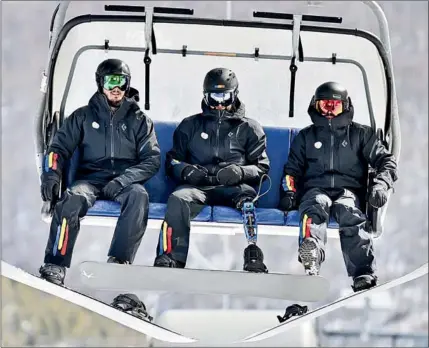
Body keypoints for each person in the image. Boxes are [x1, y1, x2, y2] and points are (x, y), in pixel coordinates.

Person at [38, 58, 160, 314]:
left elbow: (152, 159)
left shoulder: (139, 120)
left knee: (139, 196)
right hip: (91, 178)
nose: (116, 88)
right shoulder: (83, 117)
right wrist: (51, 175)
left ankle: (119, 262)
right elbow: (57, 149)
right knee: (72, 197)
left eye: (121, 82)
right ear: (100, 83)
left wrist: (124, 180)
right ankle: (55, 264)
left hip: (126, 179)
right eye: (111, 81)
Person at [279, 81, 398, 292]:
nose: (330, 113)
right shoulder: (307, 137)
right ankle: (312, 250)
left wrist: (381, 185)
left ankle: (363, 272)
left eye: (335, 107)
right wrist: (289, 192)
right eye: (325, 106)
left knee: (349, 212)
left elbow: (386, 162)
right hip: (316, 188)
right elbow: (292, 170)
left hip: (348, 191)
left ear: (346, 106)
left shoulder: (361, 135)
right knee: (315, 205)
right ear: (316, 106)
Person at [153, 67, 271, 273]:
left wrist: (240, 172)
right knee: (178, 198)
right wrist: (186, 171)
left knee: (248, 201)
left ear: (234, 95)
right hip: (199, 186)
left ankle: (253, 256)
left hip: (234, 186)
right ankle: (171, 258)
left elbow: (261, 167)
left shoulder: (249, 128)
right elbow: (173, 161)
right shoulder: (190, 125)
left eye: (224, 97)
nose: (219, 103)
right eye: (214, 97)